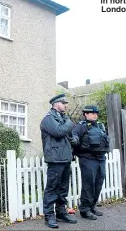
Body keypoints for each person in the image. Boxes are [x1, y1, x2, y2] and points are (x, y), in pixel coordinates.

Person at [40, 93, 77, 228]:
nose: (66, 105)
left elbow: (72, 136)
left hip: (66, 158)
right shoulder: (48, 119)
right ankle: (49, 216)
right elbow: (58, 132)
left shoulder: (63, 119)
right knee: (52, 188)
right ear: (56, 104)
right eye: (63, 103)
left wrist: (74, 140)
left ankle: (61, 213)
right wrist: (69, 123)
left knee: (63, 188)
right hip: (55, 159)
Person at [70, 105, 110, 220]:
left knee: (98, 183)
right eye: (93, 113)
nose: (95, 115)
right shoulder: (80, 127)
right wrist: (74, 141)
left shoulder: (100, 126)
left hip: (101, 159)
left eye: (96, 113)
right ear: (86, 114)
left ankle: (92, 206)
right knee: (89, 184)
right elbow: (75, 139)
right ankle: (84, 210)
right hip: (87, 159)